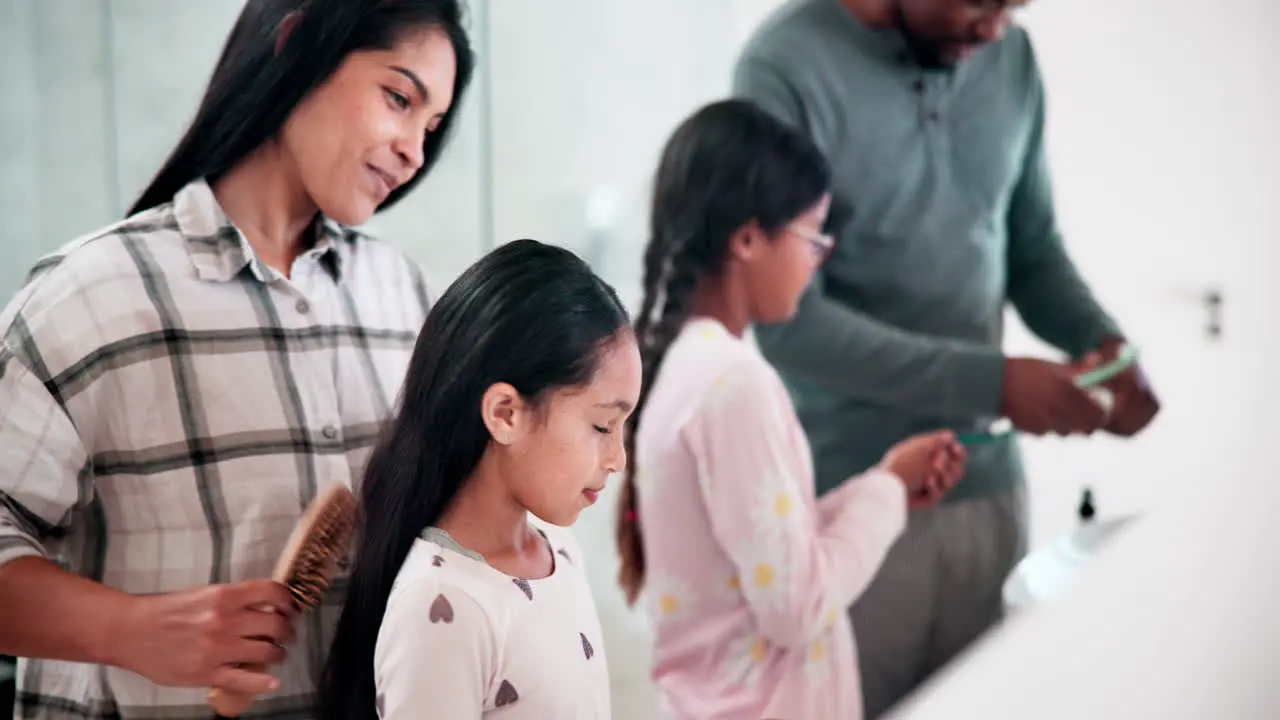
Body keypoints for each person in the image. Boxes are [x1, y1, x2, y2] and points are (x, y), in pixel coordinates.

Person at [0, 1, 473, 717]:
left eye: (430, 128)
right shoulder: (93, 296)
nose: (413, 149)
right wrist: (126, 630)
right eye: (399, 98)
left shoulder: (405, 297)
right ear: (296, 44)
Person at [731, 0, 1162, 716]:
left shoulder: (1011, 60)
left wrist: (1102, 342)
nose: (994, 27)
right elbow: (789, 323)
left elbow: (1030, 249)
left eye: (1013, 5)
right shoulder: (785, 68)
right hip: (848, 499)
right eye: (979, 1)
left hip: (988, 488)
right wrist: (991, 382)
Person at [613, 99, 969, 720]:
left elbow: (764, 551)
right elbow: (797, 607)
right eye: (813, 236)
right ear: (748, 238)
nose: (816, 259)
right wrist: (887, 492)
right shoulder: (734, 382)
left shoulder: (682, 368)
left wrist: (879, 487)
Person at [317, 239, 638, 720]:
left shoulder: (561, 548)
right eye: (601, 427)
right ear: (506, 413)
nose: (618, 459)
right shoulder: (442, 606)